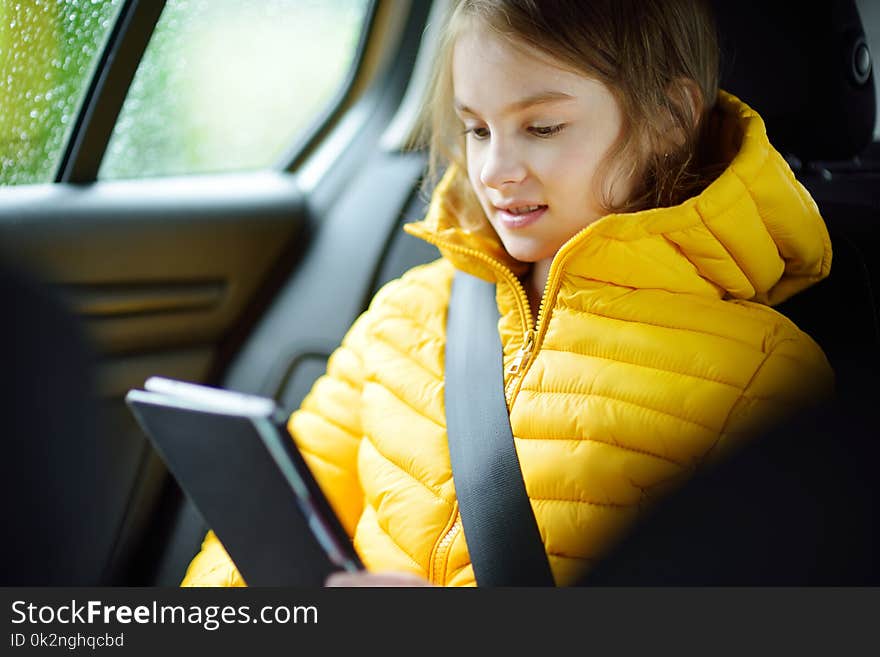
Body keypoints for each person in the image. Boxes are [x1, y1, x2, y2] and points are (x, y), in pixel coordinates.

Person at [181, 0, 833, 587]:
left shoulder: (761, 376)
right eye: (477, 129)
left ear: (668, 119)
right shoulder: (407, 315)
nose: (494, 171)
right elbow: (256, 540)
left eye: (541, 128)